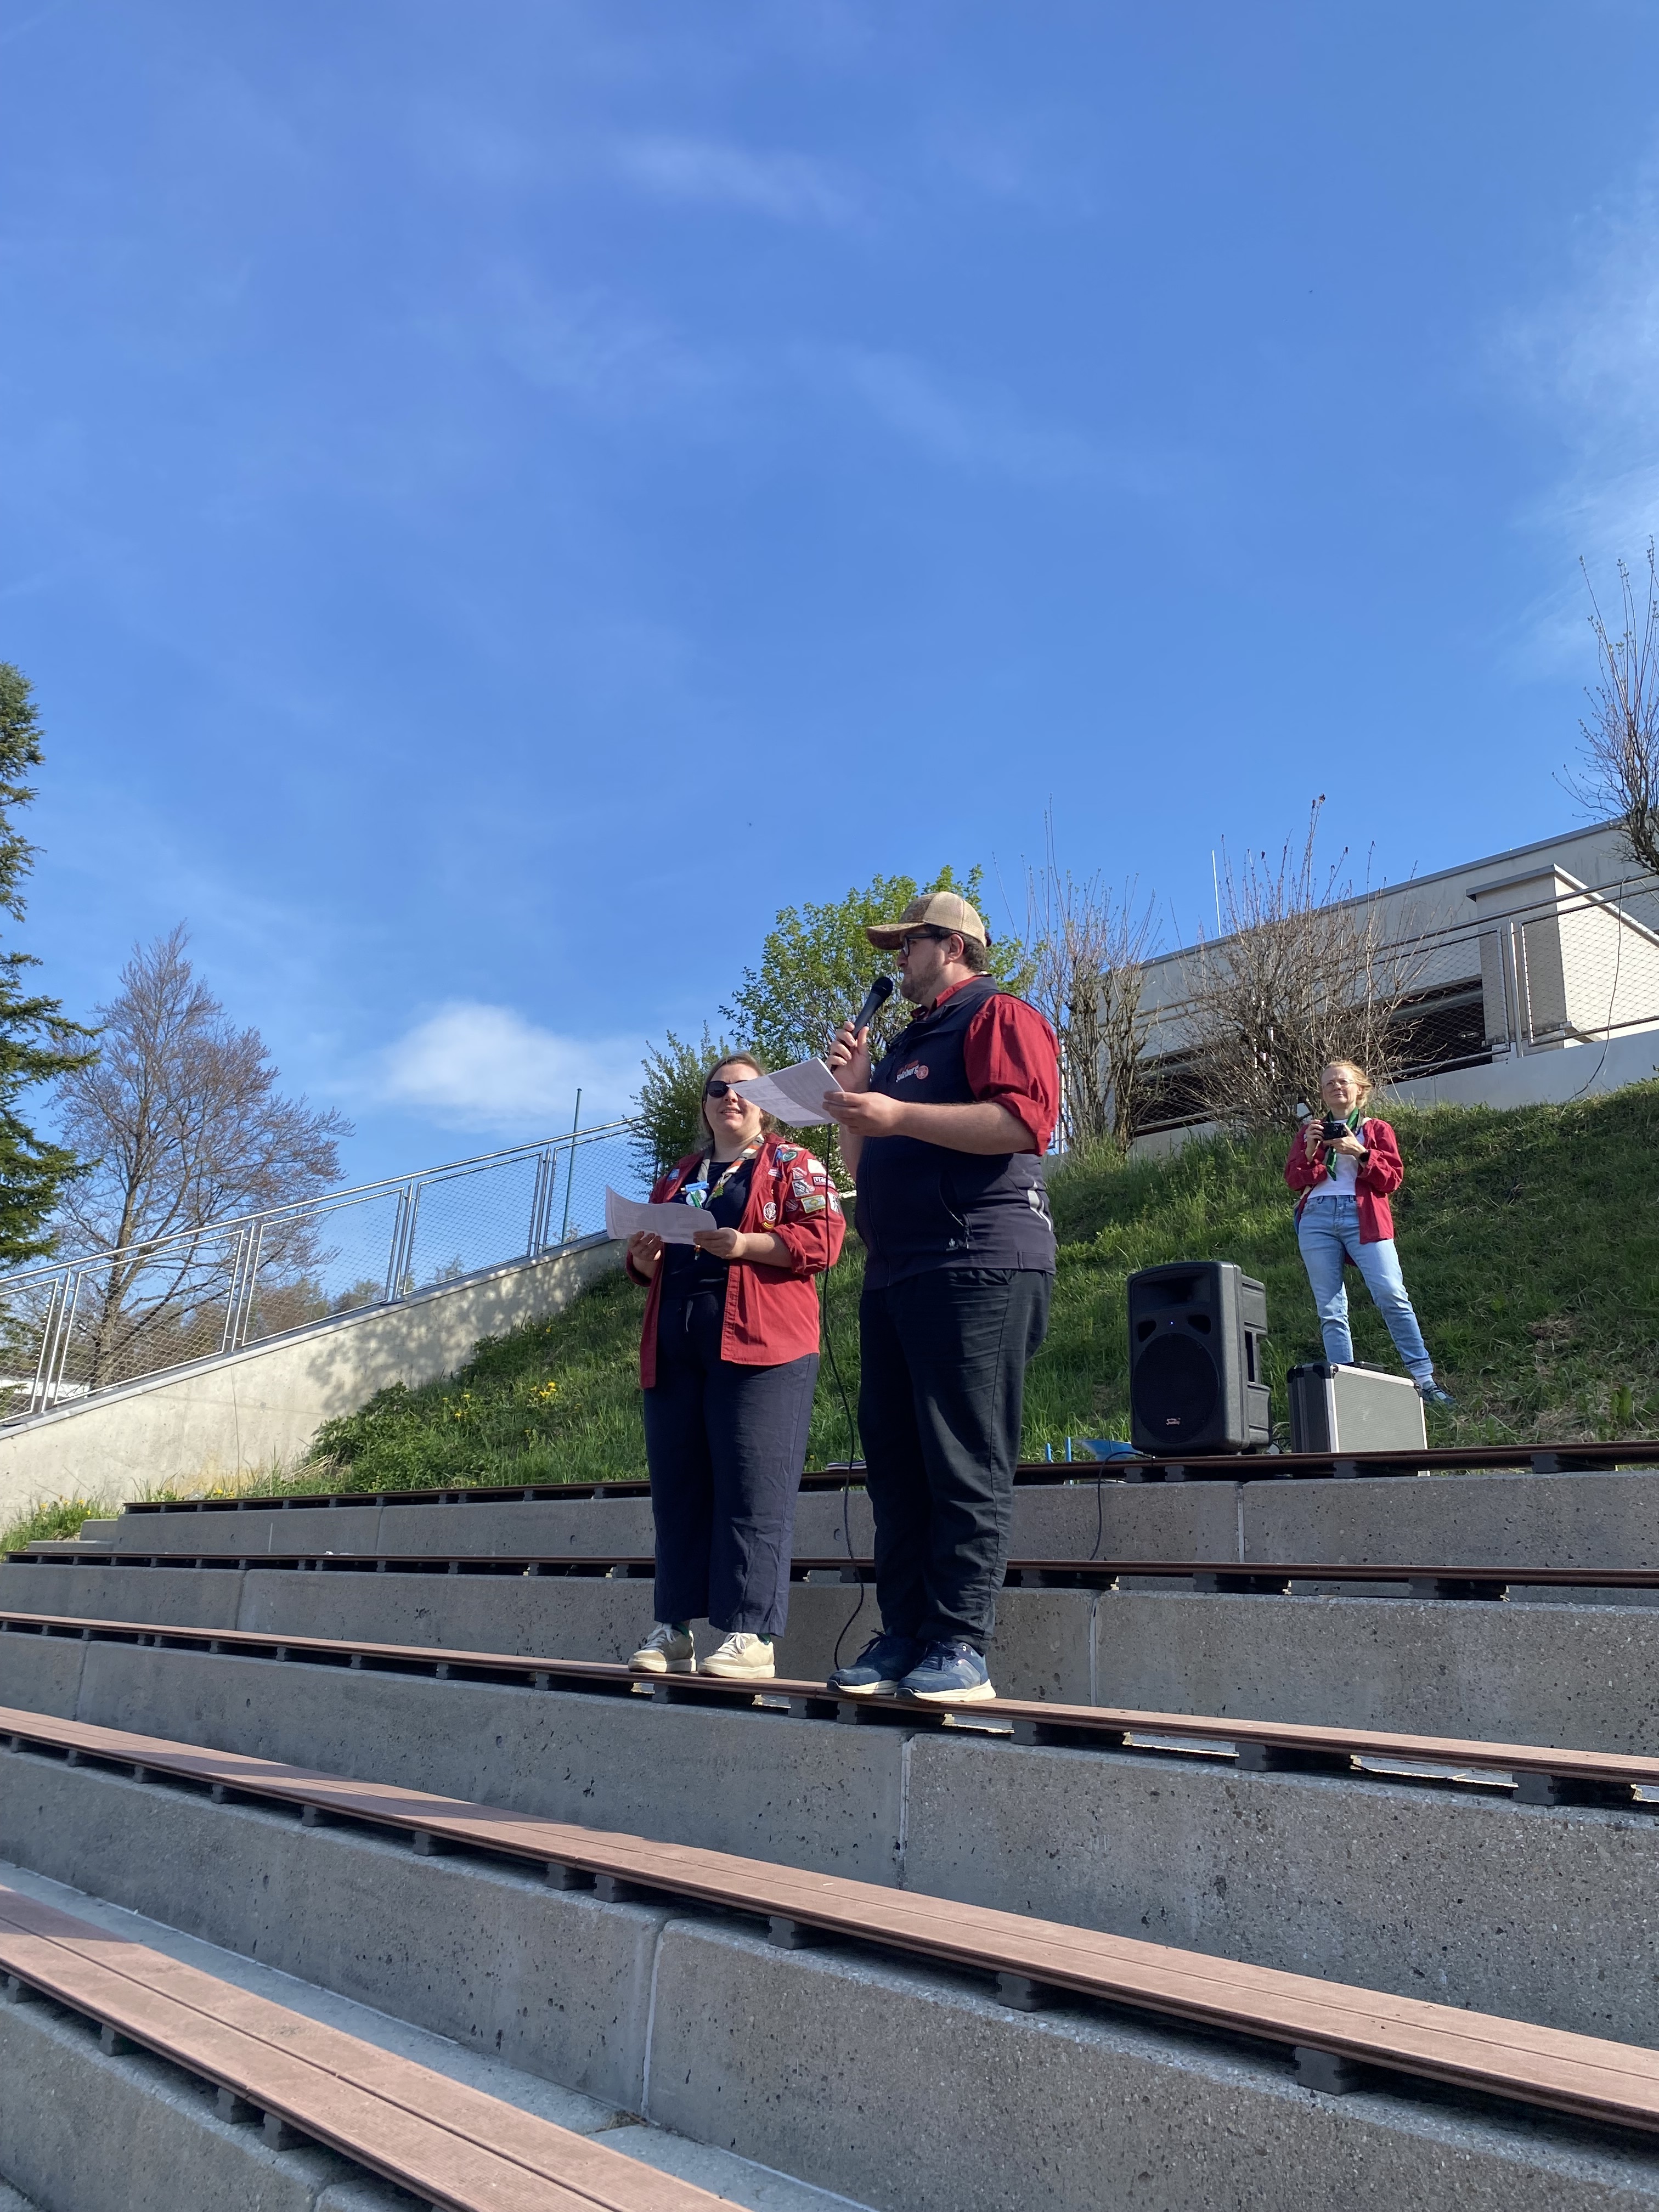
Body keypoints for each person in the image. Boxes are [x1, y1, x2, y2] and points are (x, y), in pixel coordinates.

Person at [821, 890, 1059, 1705]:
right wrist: (859, 1097)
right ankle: (905, 1634)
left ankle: (961, 1643)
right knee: (896, 1464)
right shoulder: (904, 1046)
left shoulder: (998, 1014)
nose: (898, 958)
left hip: (979, 1262)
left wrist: (896, 1112)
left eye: (909, 943)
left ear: (953, 946)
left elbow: (1023, 1124)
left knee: (962, 1455)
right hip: (897, 1271)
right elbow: (863, 1165)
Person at [623, 1053, 844, 1681]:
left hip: (762, 1345)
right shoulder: (678, 1175)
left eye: (745, 1089)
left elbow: (826, 1239)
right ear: (705, 1103)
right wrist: (642, 1259)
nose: (731, 1098)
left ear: (766, 1103)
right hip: (675, 1350)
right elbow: (646, 1266)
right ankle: (674, 1629)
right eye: (718, 1089)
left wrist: (745, 1245)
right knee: (678, 1492)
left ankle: (751, 1635)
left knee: (754, 1490)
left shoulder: (793, 1163)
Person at [1285, 1059, 1453, 1408]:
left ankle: (1424, 1379)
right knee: (1330, 1308)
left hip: (1364, 1215)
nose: (1336, 1087)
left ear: (1359, 1089)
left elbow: (1391, 1179)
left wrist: (1360, 1152)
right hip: (1316, 1217)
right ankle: (1345, 1390)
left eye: (1343, 1081)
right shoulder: (1309, 1132)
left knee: (1391, 1293)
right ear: (1322, 1093)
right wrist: (1310, 1153)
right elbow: (1294, 1180)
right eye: (1329, 1083)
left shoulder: (1376, 1129)